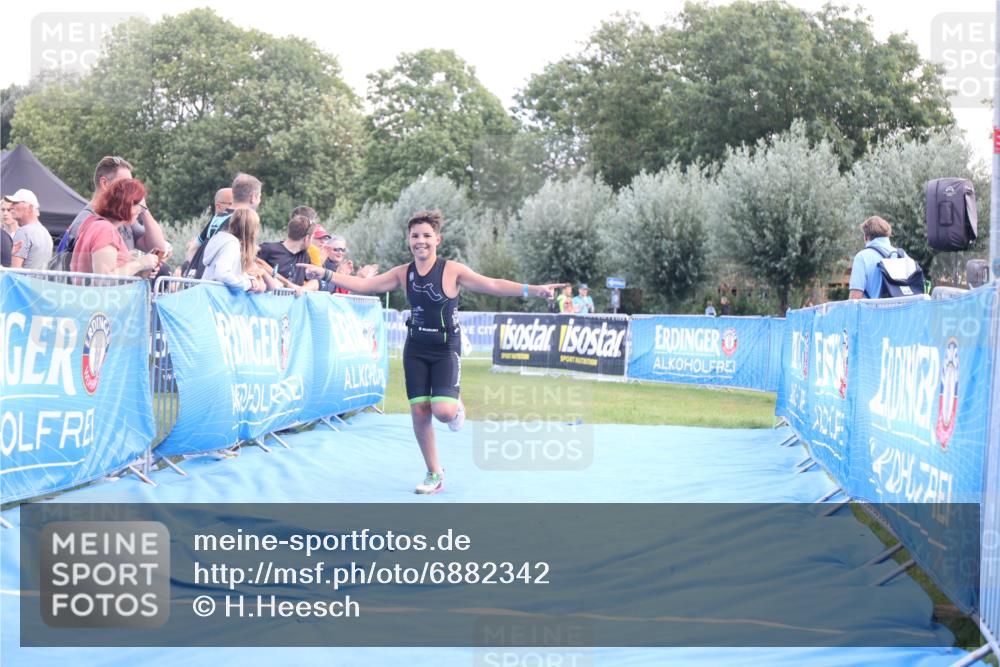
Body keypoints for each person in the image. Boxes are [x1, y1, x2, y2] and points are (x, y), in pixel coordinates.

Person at [298, 209, 561, 495]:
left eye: (426, 236)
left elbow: (493, 285)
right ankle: (434, 471)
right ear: (408, 240)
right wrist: (325, 272)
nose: (420, 241)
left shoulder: (452, 270)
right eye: (414, 236)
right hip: (416, 348)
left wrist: (534, 290)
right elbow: (364, 285)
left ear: (438, 239)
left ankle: (455, 402)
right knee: (420, 412)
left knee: (444, 413)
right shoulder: (403, 273)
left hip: (446, 347)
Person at [60, 156, 166, 254]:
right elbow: (97, 269)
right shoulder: (86, 222)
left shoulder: (122, 219)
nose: (130, 189)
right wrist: (137, 265)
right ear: (104, 183)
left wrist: (143, 209)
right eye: (124, 184)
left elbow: (158, 247)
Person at [69, 179, 161, 277]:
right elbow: (104, 279)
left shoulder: (94, 224)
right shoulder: (105, 230)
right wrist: (140, 264)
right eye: (141, 206)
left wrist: (139, 270)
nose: (141, 211)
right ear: (129, 204)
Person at [201, 209, 277, 292]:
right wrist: (250, 284)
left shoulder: (237, 247)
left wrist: (260, 275)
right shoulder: (231, 245)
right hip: (214, 299)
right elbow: (222, 274)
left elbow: (272, 287)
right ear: (253, 230)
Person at [257, 214, 319, 290]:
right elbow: (252, 262)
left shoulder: (305, 256)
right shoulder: (268, 249)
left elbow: (315, 282)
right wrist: (287, 284)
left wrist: (302, 289)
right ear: (306, 238)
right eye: (312, 238)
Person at [848, 216, 898, 300]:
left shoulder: (862, 257)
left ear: (866, 237)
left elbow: (855, 297)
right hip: (901, 311)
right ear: (887, 235)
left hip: (874, 312)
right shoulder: (901, 254)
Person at [4, 189, 53, 269]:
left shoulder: (23, 232)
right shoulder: (45, 233)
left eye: (16, 203)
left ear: (30, 207)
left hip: (24, 281)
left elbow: (15, 271)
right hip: (41, 281)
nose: (10, 207)